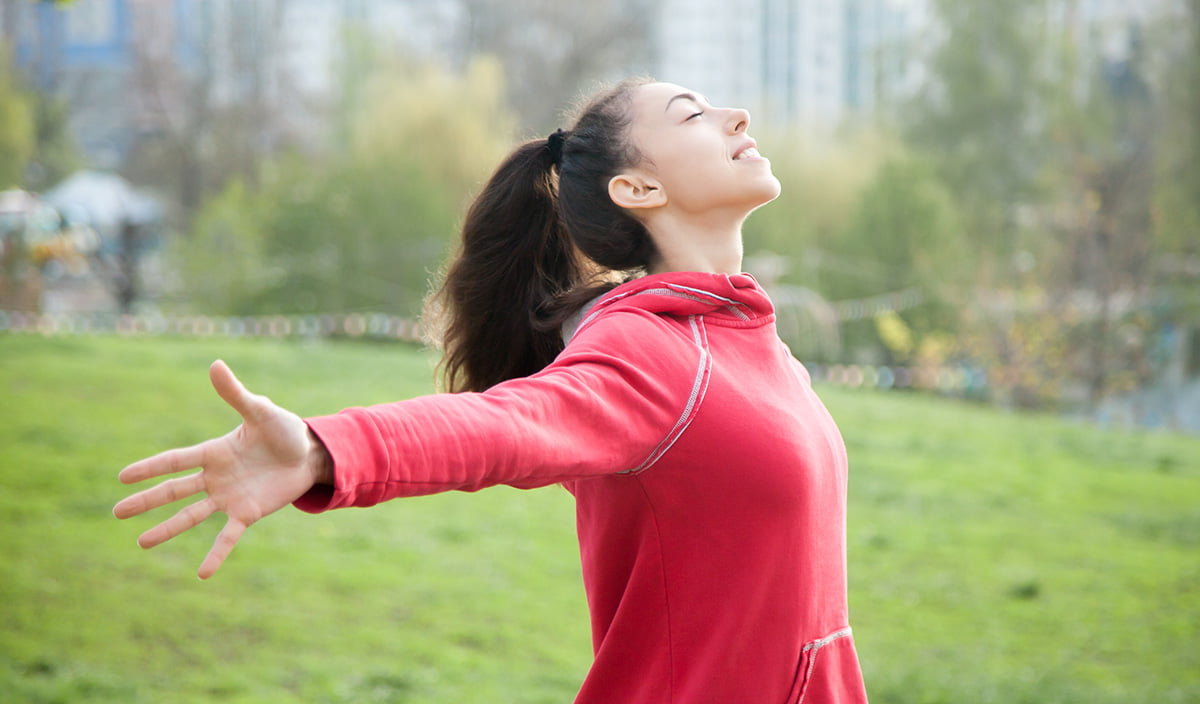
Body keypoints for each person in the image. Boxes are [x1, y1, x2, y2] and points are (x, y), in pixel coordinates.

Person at [114, 78, 870, 703]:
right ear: (636, 187)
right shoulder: (654, 351)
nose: (736, 114)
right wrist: (322, 450)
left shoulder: (750, 344)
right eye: (693, 114)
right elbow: (505, 425)